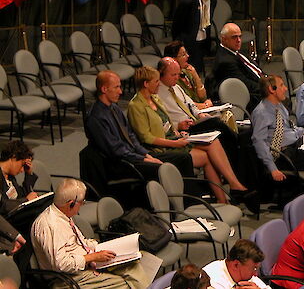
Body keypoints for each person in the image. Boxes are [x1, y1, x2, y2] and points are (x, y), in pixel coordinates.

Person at [127, 66, 251, 205]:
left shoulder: (155, 98)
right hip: (162, 147)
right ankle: (227, 196)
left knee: (213, 142)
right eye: (156, 81)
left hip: (175, 137)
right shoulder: (135, 105)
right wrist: (175, 143)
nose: (158, 84)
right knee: (206, 156)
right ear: (146, 83)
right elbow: (146, 137)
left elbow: (166, 122)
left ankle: (232, 188)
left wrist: (178, 130)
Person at [31, 179, 148, 288]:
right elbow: (61, 264)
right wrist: (92, 257)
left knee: (135, 262)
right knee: (125, 284)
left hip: (84, 264)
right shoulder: (50, 225)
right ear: (71, 203)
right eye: (82, 202)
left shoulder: (63, 215)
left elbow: (80, 242)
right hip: (67, 279)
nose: (82, 206)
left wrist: (102, 247)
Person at [85, 71, 194, 181]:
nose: (120, 91)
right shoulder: (96, 118)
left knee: (184, 158)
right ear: (104, 89)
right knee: (162, 168)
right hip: (121, 163)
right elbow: (115, 150)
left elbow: (130, 135)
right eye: (116, 87)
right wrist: (142, 159)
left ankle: (190, 194)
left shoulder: (114, 108)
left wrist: (145, 154)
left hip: (133, 155)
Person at [157, 57, 240, 151]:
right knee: (215, 123)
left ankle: (236, 147)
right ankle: (239, 142)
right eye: (173, 75)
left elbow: (190, 103)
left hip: (194, 121)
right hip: (184, 130)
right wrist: (177, 125)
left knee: (219, 119)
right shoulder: (157, 94)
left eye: (177, 74)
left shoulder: (176, 87)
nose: (177, 77)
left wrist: (199, 114)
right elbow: (160, 121)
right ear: (161, 74)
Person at [172, 0, 225, 74]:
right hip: (188, 43)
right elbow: (177, 24)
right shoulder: (190, 1)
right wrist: (179, 44)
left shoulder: (213, 1)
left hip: (202, 41)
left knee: (198, 71)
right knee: (187, 73)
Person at [211, 23, 262, 110]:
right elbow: (244, 83)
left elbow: (254, 69)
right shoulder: (225, 61)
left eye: (240, 37)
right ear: (224, 39)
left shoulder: (234, 51)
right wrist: (266, 86)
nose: (238, 40)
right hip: (249, 97)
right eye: (234, 37)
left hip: (257, 85)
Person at [163, 40, 212, 107]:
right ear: (174, 59)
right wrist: (205, 105)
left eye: (186, 53)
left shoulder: (187, 72)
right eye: (183, 55)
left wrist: (196, 76)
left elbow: (203, 97)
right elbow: (183, 103)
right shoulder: (172, 80)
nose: (188, 56)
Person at [0, 141, 38, 216]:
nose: (22, 170)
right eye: (23, 165)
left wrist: (28, 174)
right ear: (14, 157)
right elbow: (2, 205)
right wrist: (26, 200)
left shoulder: (10, 177)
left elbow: (21, 195)